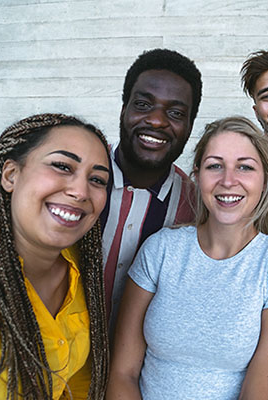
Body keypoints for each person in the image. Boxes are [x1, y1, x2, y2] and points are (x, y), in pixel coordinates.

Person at [107, 116, 268, 400]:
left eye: (245, 167)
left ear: (265, 180)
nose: (228, 181)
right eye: (215, 166)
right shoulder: (161, 250)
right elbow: (122, 373)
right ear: (197, 175)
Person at [0, 114, 110, 399]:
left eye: (97, 179)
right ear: (11, 175)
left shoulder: (79, 269)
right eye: (62, 166)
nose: (80, 191)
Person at [101, 48, 202, 332]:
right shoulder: (75, 180)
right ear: (123, 109)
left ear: (189, 125)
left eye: (175, 112)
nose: (157, 120)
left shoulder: (195, 208)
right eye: (143, 105)